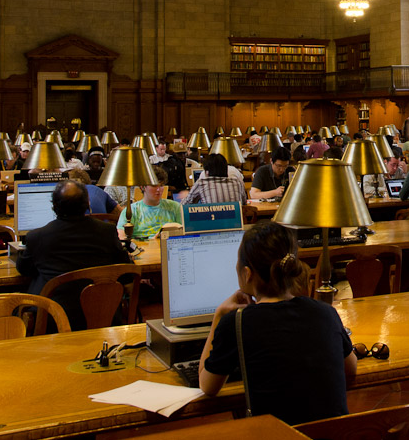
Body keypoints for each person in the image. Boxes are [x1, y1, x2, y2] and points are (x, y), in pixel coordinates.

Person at [198, 222, 356, 423]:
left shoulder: (237, 323)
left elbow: (207, 386)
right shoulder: (326, 312)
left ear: (247, 273)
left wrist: (219, 315)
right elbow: (351, 368)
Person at [16, 181, 132, 326]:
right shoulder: (106, 232)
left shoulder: (37, 237)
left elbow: (23, 269)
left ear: (53, 206)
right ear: (87, 204)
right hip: (102, 315)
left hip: (54, 320)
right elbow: (127, 273)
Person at [116, 166, 183, 239]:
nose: (158, 190)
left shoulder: (175, 207)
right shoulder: (131, 211)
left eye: (161, 185)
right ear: (142, 187)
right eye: (154, 185)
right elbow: (121, 237)